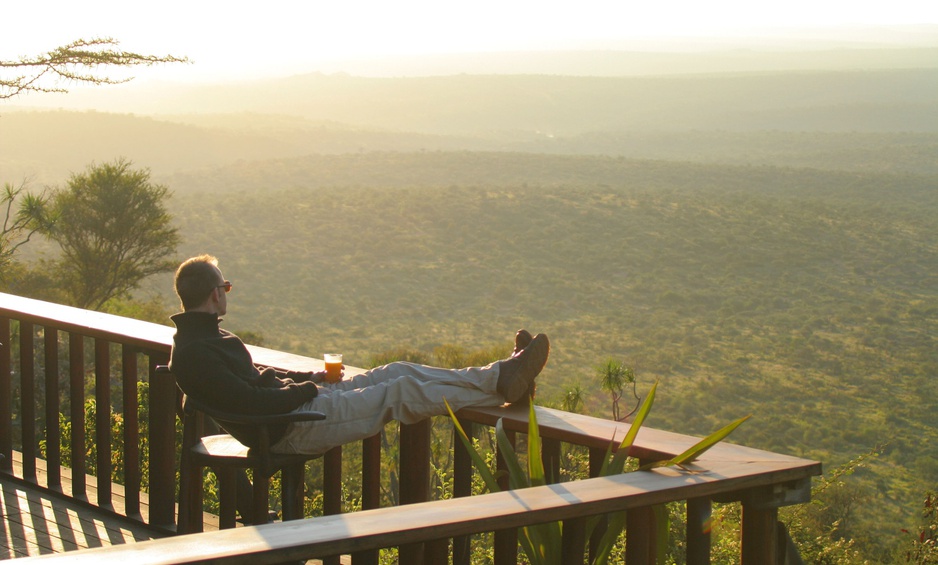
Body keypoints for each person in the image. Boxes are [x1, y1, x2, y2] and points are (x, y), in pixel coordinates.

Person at [169, 254, 550, 456]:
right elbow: (251, 401)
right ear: (215, 293)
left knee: (394, 370)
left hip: (297, 408)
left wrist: (313, 380)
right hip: (289, 427)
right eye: (227, 286)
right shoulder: (194, 353)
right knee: (400, 390)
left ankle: (501, 376)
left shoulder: (203, 339)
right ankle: (504, 380)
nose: (228, 292)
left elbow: (256, 376)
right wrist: (307, 393)